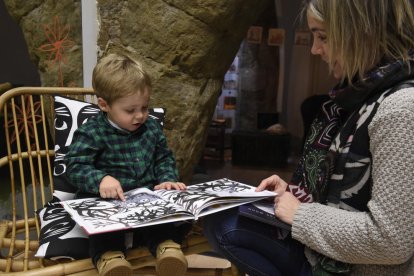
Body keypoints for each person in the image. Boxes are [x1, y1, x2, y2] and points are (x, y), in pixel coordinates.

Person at [204, 0, 414, 275]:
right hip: (323, 251)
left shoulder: (402, 109)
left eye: (323, 36)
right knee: (218, 217)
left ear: (363, 32)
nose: (315, 50)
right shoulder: (356, 98)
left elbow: (391, 242)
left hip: (353, 267)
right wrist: (294, 194)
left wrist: (300, 214)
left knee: (227, 227)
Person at [65, 53, 190, 276]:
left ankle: (167, 249)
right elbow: (74, 166)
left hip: (145, 198)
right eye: (130, 110)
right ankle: (110, 259)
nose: (140, 115)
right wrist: (100, 179)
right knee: (104, 230)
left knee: (162, 222)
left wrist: (167, 179)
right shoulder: (92, 132)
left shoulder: (150, 127)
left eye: (145, 107)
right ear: (104, 105)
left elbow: (163, 158)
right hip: (108, 201)